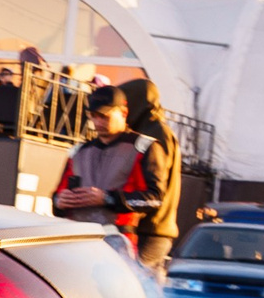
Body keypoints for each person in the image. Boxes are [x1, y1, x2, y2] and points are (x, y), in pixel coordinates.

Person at [53, 86, 172, 264]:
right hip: (77, 241)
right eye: (94, 116)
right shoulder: (79, 151)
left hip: (119, 243)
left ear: (124, 113)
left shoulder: (144, 147)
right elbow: (56, 197)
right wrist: (59, 202)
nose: (98, 122)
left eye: (104, 116)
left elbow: (155, 199)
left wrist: (108, 199)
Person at [114, 76, 183, 271]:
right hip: (153, 229)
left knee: (129, 282)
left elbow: (153, 185)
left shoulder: (155, 133)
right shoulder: (153, 129)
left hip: (150, 229)